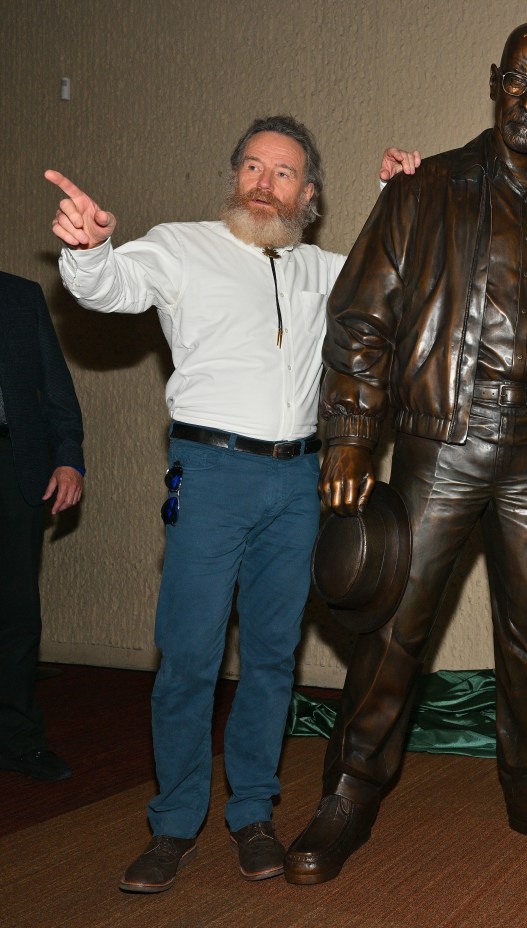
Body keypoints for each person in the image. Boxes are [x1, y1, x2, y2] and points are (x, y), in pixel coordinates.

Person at [283, 22, 527, 885]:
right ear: (493, 81)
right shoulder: (426, 189)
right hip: (445, 435)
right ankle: (349, 795)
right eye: (518, 80)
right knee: (396, 626)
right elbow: (362, 317)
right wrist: (351, 433)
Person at [48, 116, 344, 893]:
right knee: (189, 658)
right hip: (210, 475)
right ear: (235, 175)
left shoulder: (327, 270)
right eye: (251, 165)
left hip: (299, 483)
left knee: (275, 658)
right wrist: (87, 251)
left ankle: (252, 812)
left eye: (282, 173)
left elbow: (406, 279)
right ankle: (174, 824)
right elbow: (112, 286)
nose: (262, 182)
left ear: (308, 194)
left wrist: (402, 188)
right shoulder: (181, 247)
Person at [0, 272, 85, 783]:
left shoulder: (19, 295)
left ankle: (17, 740)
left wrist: (69, 458)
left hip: (13, 462)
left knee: (15, 609)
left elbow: (56, 387)